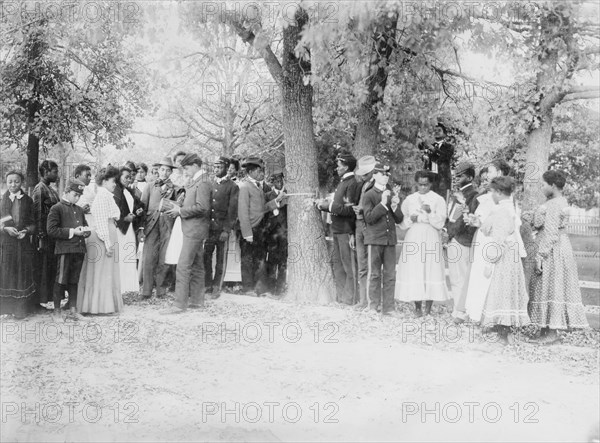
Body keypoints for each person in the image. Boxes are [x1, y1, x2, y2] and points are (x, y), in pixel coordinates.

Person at [528, 170, 589, 344]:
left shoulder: (554, 204)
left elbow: (551, 232)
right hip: (559, 247)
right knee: (548, 286)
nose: (542, 188)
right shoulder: (559, 201)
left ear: (553, 186)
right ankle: (545, 329)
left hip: (553, 250)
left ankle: (551, 332)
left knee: (551, 285)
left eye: (543, 184)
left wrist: (540, 255)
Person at [475, 176, 530, 343]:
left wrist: (490, 262)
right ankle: (505, 331)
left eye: (492, 191)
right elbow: (488, 228)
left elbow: (498, 238)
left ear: (498, 192)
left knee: (503, 290)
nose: (491, 194)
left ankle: (504, 333)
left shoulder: (502, 211)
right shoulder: (507, 208)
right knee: (508, 290)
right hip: (511, 252)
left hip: (504, 254)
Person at [161, 154, 212, 314]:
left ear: (196, 165)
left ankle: (179, 305)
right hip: (193, 228)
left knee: (183, 266)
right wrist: (179, 206)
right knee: (197, 266)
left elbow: (203, 207)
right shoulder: (196, 181)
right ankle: (197, 301)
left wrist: (180, 210)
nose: (186, 172)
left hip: (193, 230)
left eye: (187, 168)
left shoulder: (203, 182)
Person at [396, 170, 449, 316]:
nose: (423, 187)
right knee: (416, 267)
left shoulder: (438, 199)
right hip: (414, 234)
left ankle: (428, 307)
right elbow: (402, 221)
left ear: (431, 184)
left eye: (426, 184)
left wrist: (430, 212)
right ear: (416, 183)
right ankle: (417, 306)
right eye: (420, 184)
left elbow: (440, 222)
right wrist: (410, 220)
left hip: (431, 233)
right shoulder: (410, 199)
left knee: (431, 267)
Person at [237, 157, 287, 296]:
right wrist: (247, 233)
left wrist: (276, 201)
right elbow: (242, 212)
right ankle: (248, 288)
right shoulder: (245, 186)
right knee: (247, 259)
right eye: (259, 170)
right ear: (251, 171)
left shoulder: (257, 187)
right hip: (250, 229)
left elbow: (262, 208)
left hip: (260, 229)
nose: (262, 173)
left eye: (262, 170)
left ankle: (259, 288)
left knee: (259, 258)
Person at [77, 166, 123, 315]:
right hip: (102, 238)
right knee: (101, 272)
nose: (115, 184)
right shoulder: (103, 196)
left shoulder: (106, 195)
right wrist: (108, 244)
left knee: (105, 272)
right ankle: (97, 306)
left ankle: (103, 305)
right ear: (104, 181)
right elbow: (101, 222)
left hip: (107, 234)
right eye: (112, 181)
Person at [316, 152, 360, 305]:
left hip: (346, 230)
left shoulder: (352, 183)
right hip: (336, 229)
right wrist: (325, 205)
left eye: (339, 166)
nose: (337, 168)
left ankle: (351, 299)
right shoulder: (343, 182)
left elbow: (349, 210)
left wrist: (329, 206)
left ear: (347, 166)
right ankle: (341, 298)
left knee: (349, 266)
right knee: (338, 265)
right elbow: (338, 206)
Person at [363, 162, 403, 316]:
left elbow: (399, 219)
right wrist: (383, 204)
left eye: (387, 174)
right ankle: (372, 306)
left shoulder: (392, 193)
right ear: (374, 175)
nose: (385, 177)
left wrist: (394, 206)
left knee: (390, 275)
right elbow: (369, 218)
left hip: (389, 240)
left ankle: (388, 307)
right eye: (381, 174)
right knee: (374, 274)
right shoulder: (369, 194)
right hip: (375, 239)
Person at [46, 179, 89, 322]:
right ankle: (57, 312)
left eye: (79, 195)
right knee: (60, 280)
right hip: (64, 250)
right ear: (66, 191)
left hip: (79, 249)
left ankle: (72, 311)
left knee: (74, 280)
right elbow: (51, 230)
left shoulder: (79, 209)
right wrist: (73, 232)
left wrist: (85, 232)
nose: (77, 197)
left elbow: (85, 226)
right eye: (75, 194)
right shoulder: (56, 208)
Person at [443, 162, 479, 323]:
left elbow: (465, 220)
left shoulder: (473, 196)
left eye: (461, 175)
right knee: (456, 277)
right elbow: (451, 217)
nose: (457, 178)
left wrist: (450, 234)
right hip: (453, 238)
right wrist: (446, 231)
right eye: (456, 175)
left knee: (461, 278)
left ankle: (462, 312)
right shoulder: (457, 194)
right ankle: (458, 310)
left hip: (462, 240)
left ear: (470, 177)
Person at [0, 171, 36, 318]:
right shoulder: (2, 200)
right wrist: (5, 228)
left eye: (16, 181)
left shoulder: (28, 201)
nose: (13, 184)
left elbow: (33, 223)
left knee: (22, 274)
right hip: (6, 244)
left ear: (22, 182)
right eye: (10, 181)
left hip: (23, 244)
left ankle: (21, 310)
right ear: (6, 182)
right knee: (7, 274)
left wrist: (26, 231)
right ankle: (6, 310)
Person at [140, 157, 177, 299]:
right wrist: (141, 228)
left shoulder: (174, 188)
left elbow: (175, 205)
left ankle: (160, 290)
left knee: (163, 258)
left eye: (168, 170)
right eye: (163, 170)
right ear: (158, 170)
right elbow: (142, 208)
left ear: (170, 172)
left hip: (166, 225)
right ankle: (146, 290)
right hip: (151, 225)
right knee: (149, 258)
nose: (165, 173)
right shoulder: (149, 186)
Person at [204, 156, 239, 298]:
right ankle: (207, 284)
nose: (216, 169)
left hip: (222, 229)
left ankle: (216, 287)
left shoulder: (233, 186)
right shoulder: (211, 184)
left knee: (220, 258)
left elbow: (232, 211)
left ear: (225, 168)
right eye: (214, 167)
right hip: (210, 228)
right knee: (206, 256)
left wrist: (226, 230)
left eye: (219, 167)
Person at [32, 160, 60, 308]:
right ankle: (37, 302)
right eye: (55, 172)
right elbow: (37, 215)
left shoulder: (51, 189)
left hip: (53, 236)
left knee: (49, 268)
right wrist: (41, 237)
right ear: (46, 172)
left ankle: (45, 299)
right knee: (42, 268)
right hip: (45, 237)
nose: (57, 175)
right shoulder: (39, 189)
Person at [114, 166, 144, 294]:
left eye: (130, 177)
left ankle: (126, 287)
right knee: (120, 257)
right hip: (120, 228)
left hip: (129, 228)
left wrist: (137, 211)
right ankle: (118, 288)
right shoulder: (116, 191)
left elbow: (138, 205)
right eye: (125, 177)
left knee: (128, 257)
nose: (128, 179)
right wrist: (123, 219)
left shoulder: (129, 191)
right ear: (118, 177)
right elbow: (114, 212)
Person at [352, 156, 376, 309]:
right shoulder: (361, 185)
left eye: (366, 173)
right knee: (362, 264)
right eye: (362, 173)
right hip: (359, 225)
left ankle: (373, 301)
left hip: (370, 226)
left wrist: (363, 209)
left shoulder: (380, 185)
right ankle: (363, 301)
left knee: (372, 265)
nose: (363, 176)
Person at [264, 170, 288, 296]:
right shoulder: (268, 195)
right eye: (276, 181)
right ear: (272, 183)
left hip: (284, 231)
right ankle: (271, 287)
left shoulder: (288, 194)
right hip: (272, 232)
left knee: (283, 260)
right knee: (272, 259)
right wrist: (277, 201)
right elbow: (265, 209)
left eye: (281, 181)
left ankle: (280, 287)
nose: (279, 183)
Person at [418, 122, 455, 199]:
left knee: (442, 204)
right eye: (435, 130)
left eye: (439, 130)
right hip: (431, 180)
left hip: (443, 181)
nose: (437, 132)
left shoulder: (449, 147)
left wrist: (432, 148)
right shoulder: (428, 146)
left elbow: (444, 157)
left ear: (444, 134)